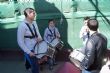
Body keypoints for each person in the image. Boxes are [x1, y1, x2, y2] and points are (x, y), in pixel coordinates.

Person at [17, 8, 42, 73]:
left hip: (36, 46)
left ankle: (27, 64)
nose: (34, 14)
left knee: (34, 61)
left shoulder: (34, 22)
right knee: (35, 66)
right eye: (32, 12)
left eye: (34, 12)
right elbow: (20, 42)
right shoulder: (22, 26)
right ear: (27, 14)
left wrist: (40, 38)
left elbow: (37, 32)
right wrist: (29, 52)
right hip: (29, 49)